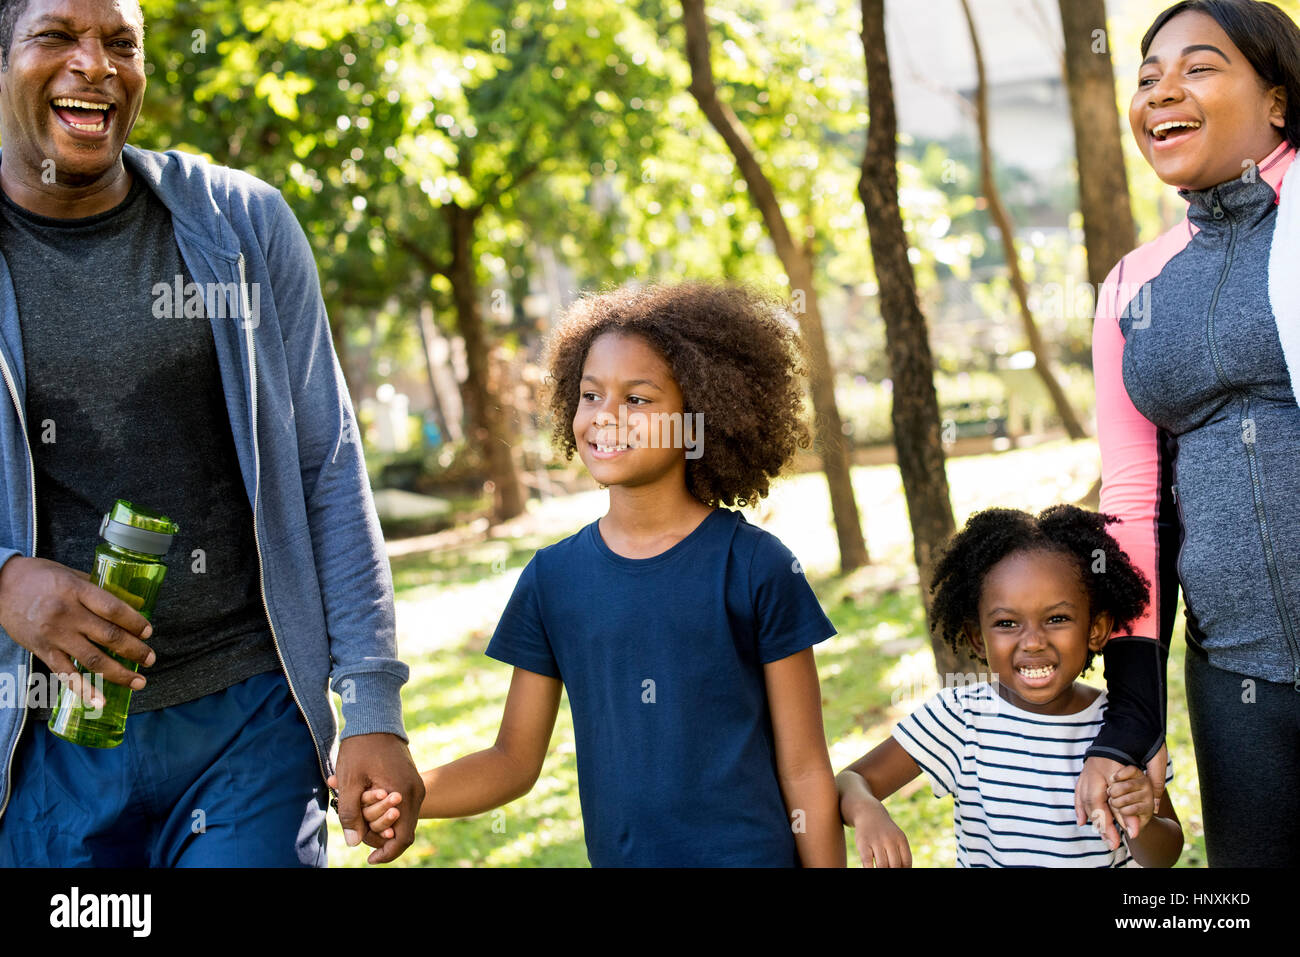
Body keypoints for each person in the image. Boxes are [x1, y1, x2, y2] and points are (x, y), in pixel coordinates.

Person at [0, 0, 421, 866]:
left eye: (122, 43)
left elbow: (328, 464)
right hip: (42, 744)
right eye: (56, 37)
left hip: (247, 720)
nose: (95, 64)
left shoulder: (243, 225)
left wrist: (372, 703)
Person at [339, 282, 845, 866]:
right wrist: (410, 795)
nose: (606, 418)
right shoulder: (553, 579)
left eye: (638, 400)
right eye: (590, 395)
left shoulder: (757, 566)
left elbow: (805, 767)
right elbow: (512, 761)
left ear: (698, 417)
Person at [1083, 0, 1300, 867]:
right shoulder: (1132, 285)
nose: (1162, 91)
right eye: (1146, 77)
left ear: (1278, 100)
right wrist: (1134, 710)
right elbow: (1133, 502)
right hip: (1237, 684)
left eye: (1199, 67)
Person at [837, 506, 1182, 868]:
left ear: (1096, 629)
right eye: (1006, 623)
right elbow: (850, 780)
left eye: (1057, 618)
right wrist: (866, 810)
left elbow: (1164, 856)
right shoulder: (960, 717)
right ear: (976, 638)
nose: (1032, 641)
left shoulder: (1123, 726)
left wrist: (1142, 819)